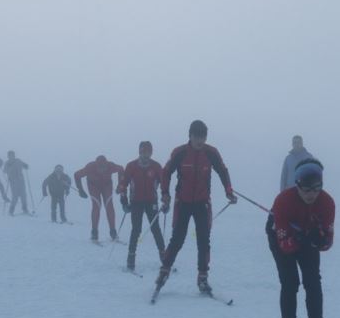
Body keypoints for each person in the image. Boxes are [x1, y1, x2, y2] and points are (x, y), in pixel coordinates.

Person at [156, 120, 237, 293]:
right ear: (190, 136)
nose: (200, 141)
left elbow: (222, 171)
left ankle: (202, 278)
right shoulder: (180, 152)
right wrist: (165, 194)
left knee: (203, 240)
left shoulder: (211, 153)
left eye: (203, 137)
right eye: (197, 137)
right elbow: (166, 172)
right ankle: (164, 271)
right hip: (182, 203)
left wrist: (228, 190)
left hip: (202, 203)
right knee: (177, 239)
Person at [266, 158, 334, 318]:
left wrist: (319, 239)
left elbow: (328, 243)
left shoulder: (327, 203)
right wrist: (298, 237)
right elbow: (285, 246)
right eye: (306, 189)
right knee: (290, 282)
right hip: (281, 237)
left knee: (313, 282)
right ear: (297, 185)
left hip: (305, 238)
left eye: (316, 189)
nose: (311, 194)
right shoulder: (283, 201)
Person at [117, 141, 165, 270]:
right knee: (136, 230)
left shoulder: (156, 166)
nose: (145, 155)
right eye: (143, 152)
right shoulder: (131, 166)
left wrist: (166, 200)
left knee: (156, 229)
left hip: (152, 202)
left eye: (148, 152)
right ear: (139, 152)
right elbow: (123, 183)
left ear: (151, 152)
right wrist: (124, 200)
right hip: (136, 202)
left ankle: (165, 258)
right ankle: (131, 258)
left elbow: (164, 184)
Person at [74, 155, 124, 241]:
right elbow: (77, 175)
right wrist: (80, 190)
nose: (102, 170)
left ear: (106, 165)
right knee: (97, 205)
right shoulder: (90, 167)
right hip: (93, 186)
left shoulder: (111, 166)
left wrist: (120, 185)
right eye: (100, 168)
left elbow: (121, 169)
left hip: (107, 185)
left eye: (104, 168)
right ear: (96, 165)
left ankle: (113, 231)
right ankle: (94, 232)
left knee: (109, 205)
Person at [3, 150, 30, 215]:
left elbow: (24, 165)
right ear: (8, 156)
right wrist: (9, 169)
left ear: (14, 155)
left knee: (23, 195)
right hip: (13, 182)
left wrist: (26, 166)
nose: (11, 156)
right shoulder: (7, 163)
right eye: (10, 155)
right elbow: (5, 171)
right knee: (15, 197)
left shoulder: (18, 160)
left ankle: (25, 209)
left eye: (12, 155)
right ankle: (11, 211)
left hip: (21, 181)